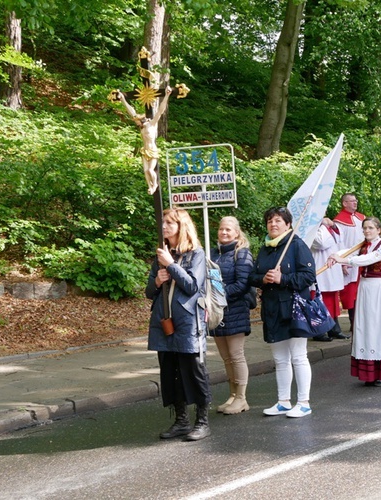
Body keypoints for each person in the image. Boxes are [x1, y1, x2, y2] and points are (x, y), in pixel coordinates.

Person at [145, 208, 212, 441]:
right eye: (163, 222)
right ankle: (181, 420)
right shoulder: (161, 255)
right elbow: (148, 292)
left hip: (187, 324)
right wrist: (157, 280)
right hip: (164, 323)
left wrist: (172, 265)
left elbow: (193, 286)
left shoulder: (197, 255)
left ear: (181, 227)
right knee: (170, 372)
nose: (164, 226)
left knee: (193, 371)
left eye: (169, 223)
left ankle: (202, 421)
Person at [249, 207, 316, 418]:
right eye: (269, 221)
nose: (273, 224)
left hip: (294, 308)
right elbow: (253, 276)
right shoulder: (265, 248)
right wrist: (263, 279)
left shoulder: (296, 245)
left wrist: (283, 279)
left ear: (288, 224)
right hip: (272, 308)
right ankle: (283, 401)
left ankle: (303, 402)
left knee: (298, 356)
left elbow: (308, 276)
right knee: (280, 358)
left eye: (278, 221)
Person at [330, 217, 381, 386]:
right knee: (366, 326)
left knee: (380, 327)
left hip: (380, 289)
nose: (367, 231)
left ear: (379, 229)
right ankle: (369, 373)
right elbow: (348, 251)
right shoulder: (362, 246)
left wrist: (345, 260)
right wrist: (335, 255)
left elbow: (369, 259)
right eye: (364, 228)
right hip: (365, 288)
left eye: (370, 228)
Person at [210, 216, 253, 415]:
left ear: (237, 232)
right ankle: (233, 395)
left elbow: (243, 284)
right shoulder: (212, 254)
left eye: (228, 230)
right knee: (226, 358)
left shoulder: (242, 254)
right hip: (217, 312)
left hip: (235, 310)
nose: (224, 233)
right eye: (221, 229)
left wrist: (218, 295)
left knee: (236, 355)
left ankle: (242, 398)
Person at [117, 86, 172, 195]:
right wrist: (123, 99)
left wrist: (166, 95)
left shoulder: (152, 124)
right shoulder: (141, 127)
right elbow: (131, 112)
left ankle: (155, 184)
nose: (138, 123)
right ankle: (150, 187)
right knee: (146, 171)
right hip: (144, 150)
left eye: (139, 121)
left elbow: (160, 111)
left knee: (151, 170)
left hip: (152, 150)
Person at [311, 217, 349, 341]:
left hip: (332, 268)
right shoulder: (309, 227)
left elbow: (339, 238)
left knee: (333, 302)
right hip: (320, 267)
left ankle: (334, 329)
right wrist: (322, 224)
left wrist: (332, 225)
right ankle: (319, 331)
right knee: (320, 301)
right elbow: (321, 242)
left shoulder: (326, 227)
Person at [333, 193, 366, 331]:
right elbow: (338, 243)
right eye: (351, 201)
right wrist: (342, 262)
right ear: (344, 203)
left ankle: (360, 321)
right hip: (348, 260)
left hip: (363, 260)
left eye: (355, 200)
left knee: (361, 292)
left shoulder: (362, 218)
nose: (355, 203)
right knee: (350, 294)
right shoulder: (339, 221)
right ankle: (353, 323)